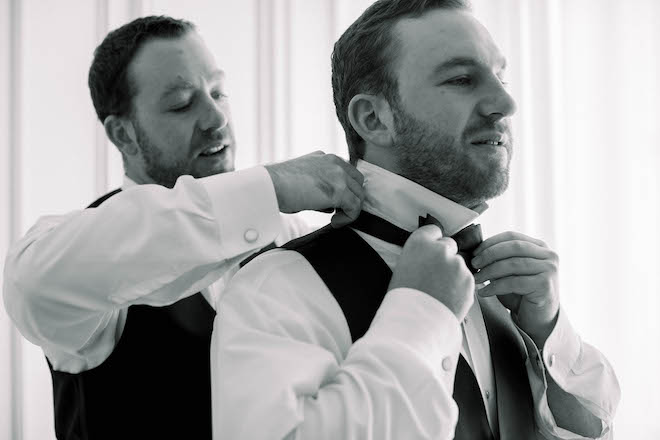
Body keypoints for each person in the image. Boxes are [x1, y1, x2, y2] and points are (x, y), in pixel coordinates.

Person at [211, 1, 620, 439]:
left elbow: (598, 428)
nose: (506, 102)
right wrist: (420, 315)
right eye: (462, 79)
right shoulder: (275, 291)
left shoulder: (516, 293)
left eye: (501, 77)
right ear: (373, 119)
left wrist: (548, 334)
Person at [2, 16, 365, 440]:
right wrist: (271, 186)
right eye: (181, 103)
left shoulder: (290, 235)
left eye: (217, 92)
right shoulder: (78, 256)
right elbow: (31, 285)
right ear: (124, 135)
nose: (216, 119)